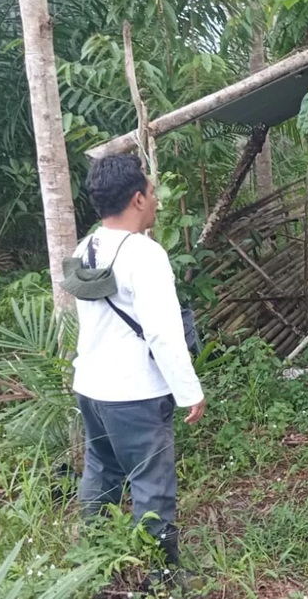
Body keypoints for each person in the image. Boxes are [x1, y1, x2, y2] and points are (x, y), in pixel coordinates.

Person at [71, 154, 205, 573]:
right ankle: (159, 573)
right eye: (152, 193)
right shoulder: (144, 255)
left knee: (101, 469)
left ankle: (93, 557)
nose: (156, 200)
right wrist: (190, 392)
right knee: (152, 483)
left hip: (92, 387)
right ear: (137, 199)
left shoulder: (86, 248)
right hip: (134, 394)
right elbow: (163, 334)